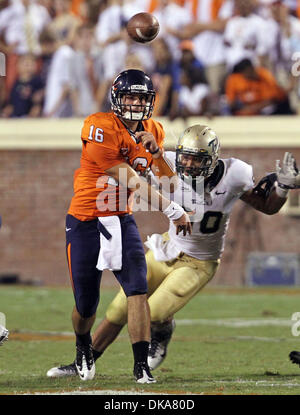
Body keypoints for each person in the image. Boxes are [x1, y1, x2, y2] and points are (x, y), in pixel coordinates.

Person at [47, 124, 300, 378]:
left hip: (199, 262)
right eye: (185, 157)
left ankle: (163, 331)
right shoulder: (164, 164)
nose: (188, 164)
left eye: (196, 159)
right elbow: (126, 170)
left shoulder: (236, 174)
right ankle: (83, 362)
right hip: (168, 248)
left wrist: (282, 189)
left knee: (155, 312)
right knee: (118, 308)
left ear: (212, 160)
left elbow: (267, 207)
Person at [51, 68, 191, 383]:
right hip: (86, 220)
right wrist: (173, 211)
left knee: (137, 289)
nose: (136, 102)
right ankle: (83, 344)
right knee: (86, 306)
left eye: (142, 97)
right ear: (117, 97)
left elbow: (169, 183)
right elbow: (131, 180)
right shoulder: (99, 126)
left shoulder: (154, 129)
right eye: (130, 96)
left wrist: (158, 153)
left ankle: (141, 367)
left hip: (120, 218)